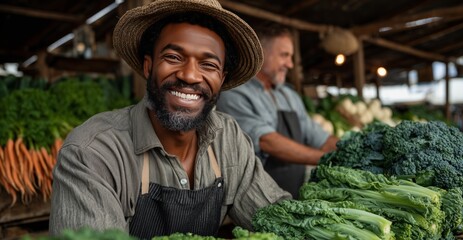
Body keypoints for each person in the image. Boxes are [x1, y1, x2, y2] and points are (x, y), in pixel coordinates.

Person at [48, 0, 291, 239]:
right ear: (148, 66)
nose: (189, 76)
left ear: (221, 79)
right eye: (174, 57)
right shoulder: (93, 153)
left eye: (208, 64)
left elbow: (278, 220)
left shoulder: (228, 139)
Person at [216, 24, 339, 199]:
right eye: (284, 55)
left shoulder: (289, 95)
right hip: (256, 198)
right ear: (262, 53)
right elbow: (267, 141)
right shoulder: (235, 93)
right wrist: (326, 159)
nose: (290, 64)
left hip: (295, 190)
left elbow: (317, 135)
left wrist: (348, 150)